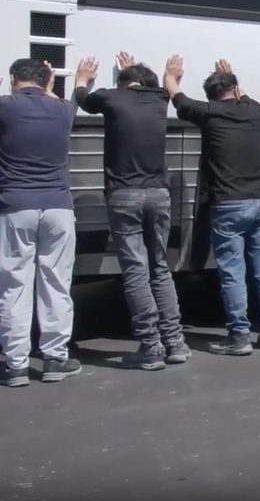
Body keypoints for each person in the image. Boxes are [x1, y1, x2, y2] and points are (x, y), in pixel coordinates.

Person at [74, 53, 189, 370]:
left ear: (122, 82)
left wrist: (82, 80)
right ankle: (175, 343)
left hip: (124, 195)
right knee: (159, 269)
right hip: (159, 194)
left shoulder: (111, 98)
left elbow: (83, 99)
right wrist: (163, 75)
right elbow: (156, 86)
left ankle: (150, 348)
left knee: (136, 272)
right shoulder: (160, 99)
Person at [166, 56, 260, 354]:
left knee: (233, 272)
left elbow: (178, 98)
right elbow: (242, 94)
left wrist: (170, 77)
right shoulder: (255, 110)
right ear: (234, 88)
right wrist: (230, 75)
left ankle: (240, 337)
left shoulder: (208, 112)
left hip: (229, 204)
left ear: (211, 96)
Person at [0, 59, 81, 386]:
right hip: (58, 207)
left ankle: (15, 365)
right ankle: (55, 359)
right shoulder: (62, 110)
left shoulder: (5, 107)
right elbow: (62, 99)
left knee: (15, 286)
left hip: (15, 206)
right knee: (56, 283)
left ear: (12, 79)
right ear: (48, 82)